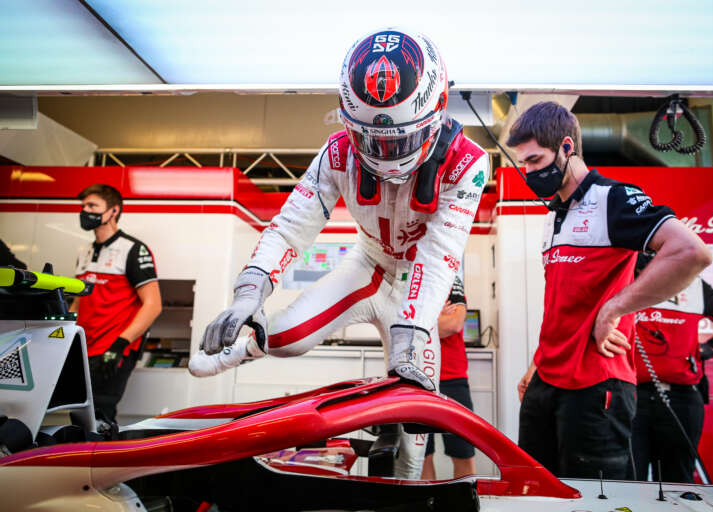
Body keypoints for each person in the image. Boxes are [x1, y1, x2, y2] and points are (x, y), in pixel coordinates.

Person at [188, 29, 488, 479]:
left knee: (413, 435)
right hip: (366, 265)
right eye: (373, 140)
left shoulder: (469, 161)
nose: (385, 155)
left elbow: (438, 252)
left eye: (399, 140)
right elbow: (291, 228)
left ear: (438, 109)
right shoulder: (336, 152)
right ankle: (246, 347)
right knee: (288, 336)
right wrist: (248, 294)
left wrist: (411, 335)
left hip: (415, 287)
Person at [508, 101, 712, 479]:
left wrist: (613, 308)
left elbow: (692, 252)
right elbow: (561, 305)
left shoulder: (612, 198)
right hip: (546, 381)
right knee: (535, 494)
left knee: (595, 501)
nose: (528, 173)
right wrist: (538, 363)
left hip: (596, 384)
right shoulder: (553, 215)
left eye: (535, 161)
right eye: (523, 165)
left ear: (567, 147)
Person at [631, 252, 713, 482]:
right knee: (628, 478)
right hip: (631, 396)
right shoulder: (619, 284)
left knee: (678, 479)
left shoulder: (692, 284)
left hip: (682, 398)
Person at [70, 184, 162, 423]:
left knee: (100, 414)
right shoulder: (84, 251)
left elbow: (153, 305)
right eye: (83, 206)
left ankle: (100, 456)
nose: (85, 211)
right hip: (83, 347)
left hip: (113, 348)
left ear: (113, 211)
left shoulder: (133, 249)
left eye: (92, 206)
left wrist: (120, 344)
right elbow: (78, 303)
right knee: (77, 414)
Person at [421, 276, 476, 480]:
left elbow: (453, 324)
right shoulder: (406, 280)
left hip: (452, 379)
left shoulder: (451, 280)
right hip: (416, 380)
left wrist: (420, 319)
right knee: (421, 457)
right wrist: (438, 315)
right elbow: (397, 324)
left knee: (463, 454)